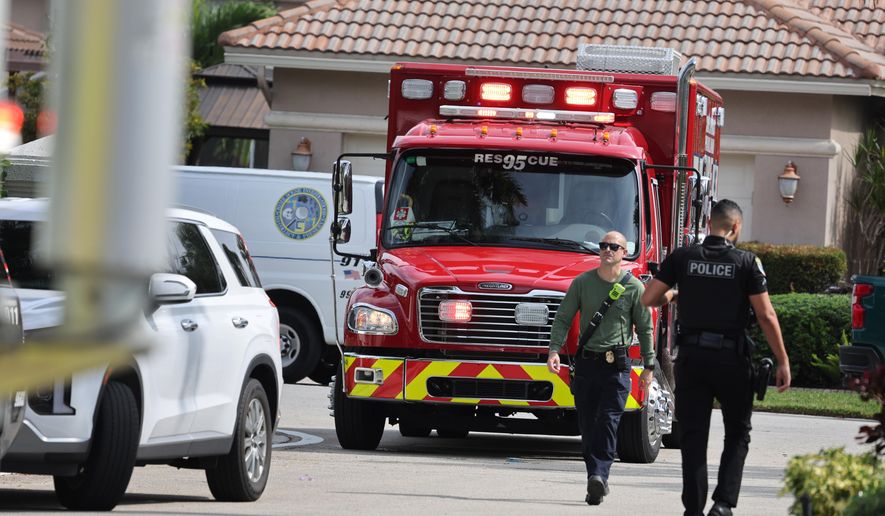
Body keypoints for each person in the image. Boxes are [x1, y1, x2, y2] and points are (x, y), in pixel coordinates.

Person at [640, 199, 791, 516]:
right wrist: (782, 361)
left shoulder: (683, 257)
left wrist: (677, 292)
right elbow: (766, 315)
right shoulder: (747, 262)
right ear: (735, 228)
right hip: (731, 359)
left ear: (709, 223)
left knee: (693, 436)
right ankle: (722, 504)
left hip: (692, 359)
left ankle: (693, 509)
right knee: (737, 431)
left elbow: (649, 298)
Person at [547, 230, 654, 506]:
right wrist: (554, 351)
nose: (607, 250)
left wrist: (649, 366)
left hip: (616, 367)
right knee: (587, 425)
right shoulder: (582, 283)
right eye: (604, 246)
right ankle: (595, 476)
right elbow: (562, 318)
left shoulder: (634, 288)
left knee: (608, 421)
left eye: (613, 246)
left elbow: (645, 329)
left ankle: (599, 475)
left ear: (623, 252)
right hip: (586, 366)